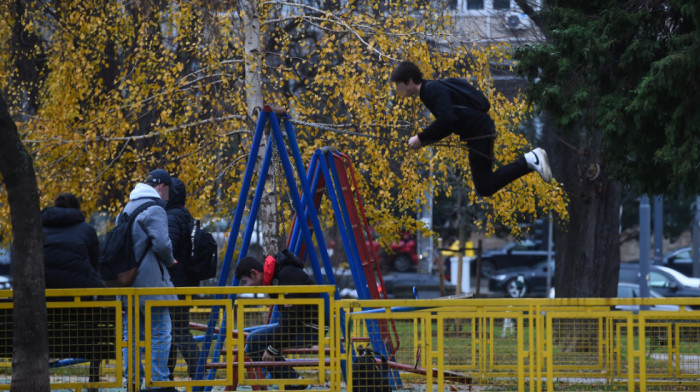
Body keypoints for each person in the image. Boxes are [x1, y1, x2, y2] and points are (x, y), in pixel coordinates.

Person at [390, 60, 553, 197]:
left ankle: (530, 159)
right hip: (479, 132)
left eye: (399, 84)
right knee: (485, 187)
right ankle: (529, 161)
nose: (398, 89)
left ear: (410, 81)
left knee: (485, 186)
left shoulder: (431, 90)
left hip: (479, 132)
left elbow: (446, 120)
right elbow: (450, 123)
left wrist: (421, 138)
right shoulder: (429, 91)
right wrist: (425, 140)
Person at [120, 169, 178, 392]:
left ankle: (132, 381)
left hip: (128, 284)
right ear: (162, 187)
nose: (168, 197)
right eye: (168, 191)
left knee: (132, 335)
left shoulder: (128, 208)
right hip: (151, 284)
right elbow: (162, 244)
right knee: (161, 330)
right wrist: (170, 260)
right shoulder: (155, 209)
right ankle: (159, 381)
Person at [235, 250, 319, 390]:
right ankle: (294, 382)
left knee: (254, 342)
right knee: (252, 342)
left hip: (310, 327)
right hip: (302, 323)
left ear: (254, 273)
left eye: (245, 282)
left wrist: (272, 348)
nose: (246, 287)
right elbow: (289, 317)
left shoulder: (285, 275)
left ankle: (296, 383)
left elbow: (291, 317)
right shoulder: (275, 277)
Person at [165, 177, 200, 379]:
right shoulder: (184, 215)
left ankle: (198, 370)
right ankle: (167, 376)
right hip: (184, 282)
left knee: (177, 331)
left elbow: (167, 248)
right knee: (172, 333)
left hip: (174, 284)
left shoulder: (171, 217)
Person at [41, 193, 104, 288]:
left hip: (45, 287)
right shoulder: (86, 229)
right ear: (77, 208)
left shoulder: (38, 229)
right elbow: (94, 262)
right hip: (80, 287)